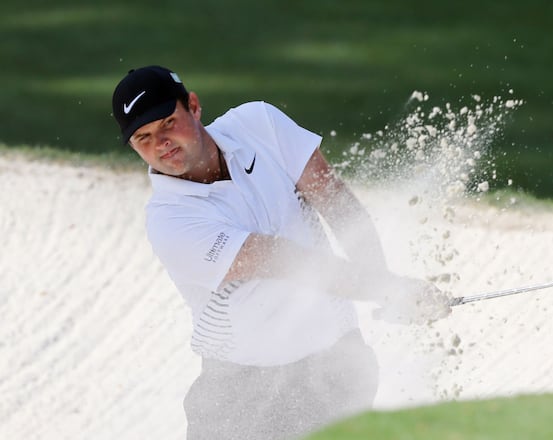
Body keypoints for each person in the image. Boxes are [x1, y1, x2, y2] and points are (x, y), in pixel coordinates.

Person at [111, 65, 450, 440]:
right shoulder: (170, 222)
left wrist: (383, 280)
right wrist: (389, 290)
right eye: (143, 137)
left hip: (335, 363)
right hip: (239, 392)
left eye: (168, 123)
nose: (161, 143)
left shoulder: (260, 124)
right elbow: (285, 261)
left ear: (193, 105)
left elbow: (335, 200)